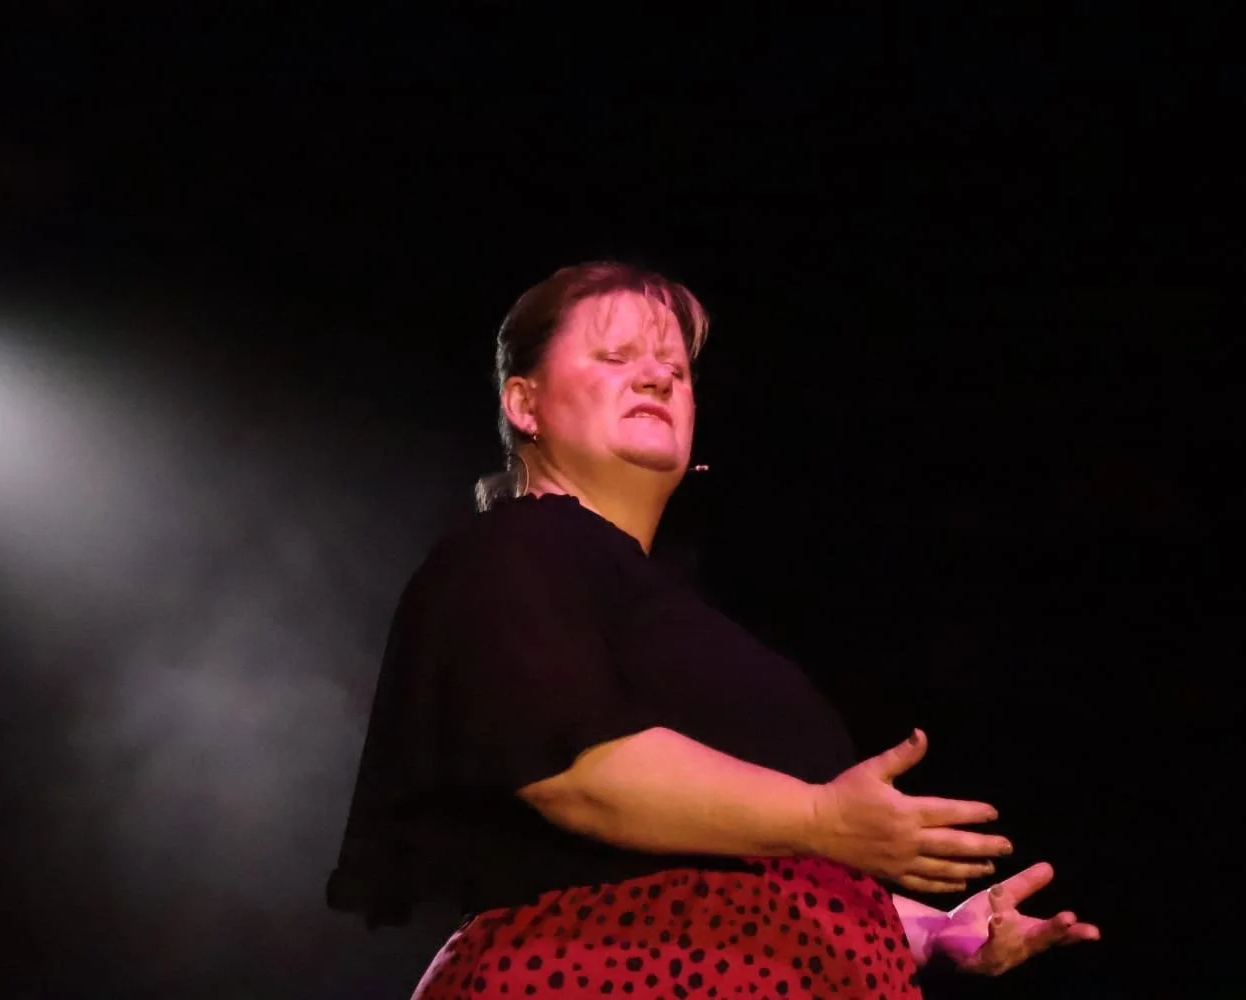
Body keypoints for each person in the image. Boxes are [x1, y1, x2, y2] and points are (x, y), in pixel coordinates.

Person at [328, 262, 1099, 998]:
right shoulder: (518, 549)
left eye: (677, 368)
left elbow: (727, 863)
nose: (660, 375)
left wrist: (923, 930)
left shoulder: (668, 610)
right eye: (615, 353)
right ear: (524, 405)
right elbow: (571, 770)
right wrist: (824, 820)